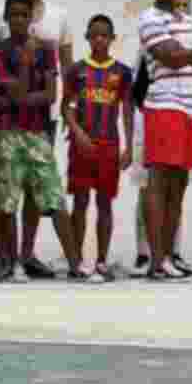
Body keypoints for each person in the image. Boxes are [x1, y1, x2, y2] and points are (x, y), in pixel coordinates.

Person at [0, 0, 74, 280]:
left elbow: (67, 66)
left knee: (37, 188)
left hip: (41, 117)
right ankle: (4, 260)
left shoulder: (58, 17)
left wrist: (68, 108)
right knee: (4, 189)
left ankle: (28, 253)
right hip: (4, 119)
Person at [138, 0, 192, 281]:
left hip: (189, 109)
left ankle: (168, 257)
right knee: (159, 184)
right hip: (163, 106)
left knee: (179, 186)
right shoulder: (149, 18)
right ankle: (156, 260)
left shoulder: (186, 20)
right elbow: (172, 56)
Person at [61, 15, 133, 281]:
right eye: (94, 35)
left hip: (109, 145)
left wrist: (128, 147)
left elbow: (127, 110)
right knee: (79, 202)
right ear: (87, 38)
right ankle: (76, 261)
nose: (99, 39)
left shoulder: (123, 72)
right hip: (82, 145)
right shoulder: (76, 71)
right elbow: (65, 107)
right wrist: (77, 132)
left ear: (113, 38)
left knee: (105, 204)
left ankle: (101, 260)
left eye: (104, 35)